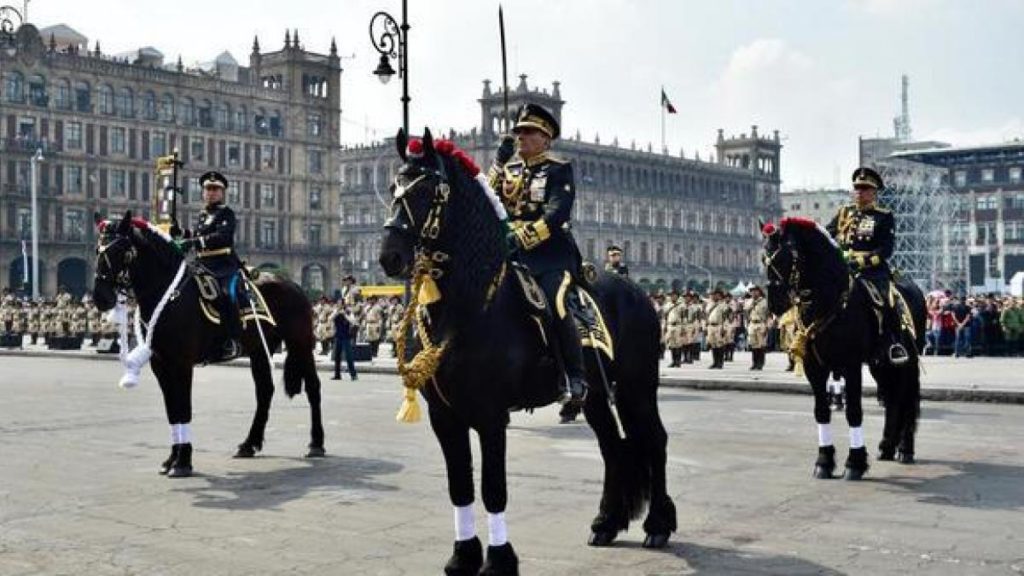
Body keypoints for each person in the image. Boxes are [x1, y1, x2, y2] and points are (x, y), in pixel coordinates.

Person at [489, 103, 587, 406]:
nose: (521, 137)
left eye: (528, 132)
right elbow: (488, 198)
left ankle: (575, 377)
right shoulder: (510, 170)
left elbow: (558, 212)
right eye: (518, 132)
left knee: (554, 304)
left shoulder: (559, 168)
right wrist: (497, 162)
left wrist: (523, 236)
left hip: (550, 256)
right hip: (512, 256)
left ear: (546, 137)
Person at [826, 167, 908, 366]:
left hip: (872, 272)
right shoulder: (844, 213)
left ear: (874, 192)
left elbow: (885, 250)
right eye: (857, 188)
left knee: (886, 301)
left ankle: (893, 343)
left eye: (864, 188)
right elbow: (828, 236)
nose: (859, 192)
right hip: (843, 269)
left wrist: (859, 262)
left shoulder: (883, 216)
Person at [174, 171, 242, 359]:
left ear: (222, 192)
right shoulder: (204, 214)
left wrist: (195, 242)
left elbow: (222, 237)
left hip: (223, 265)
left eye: (215, 189)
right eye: (207, 189)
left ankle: (233, 339)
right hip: (202, 264)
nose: (210, 193)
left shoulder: (226, 213)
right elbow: (199, 234)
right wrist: (182, 232)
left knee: (226, 295)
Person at [331, 301, 358, 381]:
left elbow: (353, 321)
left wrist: (345, 315)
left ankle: (353, 374)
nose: (339, 305)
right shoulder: (336, 311)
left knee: (348, 356)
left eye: (340, 304)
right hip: (338, 336)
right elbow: (330, 319)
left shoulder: (348, 312)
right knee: (337, 356)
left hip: (346, 336)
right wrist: (336, 312)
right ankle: (337, 374)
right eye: (338, 304)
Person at [705, 288, 732, 369]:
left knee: (720, 345)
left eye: (716, 295)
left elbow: (726, 318)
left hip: (719, 326)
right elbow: (706, 316)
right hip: (711, 326)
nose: (713, 296)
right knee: (713, 345)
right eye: (713, 295)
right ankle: (715, 362)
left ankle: (720, 362)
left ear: (720, 296)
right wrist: (706, 327)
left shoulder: (724, 305)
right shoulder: (709, 304)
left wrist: (725, 328)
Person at [745, 285, 770, 370]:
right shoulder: (749, 301)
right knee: (753, 345)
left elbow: (769, 315)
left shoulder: (765, 302)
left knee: (761, 345)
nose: (753, 293)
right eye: (752, 291)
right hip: (752, 324)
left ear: (759, 292)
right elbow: (746, 313)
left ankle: (760, 364)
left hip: (761, 323)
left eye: (755, 291)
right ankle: (754, 363)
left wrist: (767, 326)